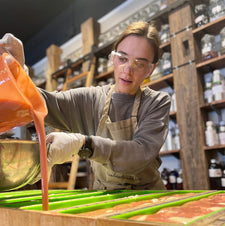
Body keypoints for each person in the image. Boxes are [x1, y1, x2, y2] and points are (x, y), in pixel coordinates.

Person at [0, 21, 171, 190]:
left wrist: (83, 144)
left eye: (139, 64)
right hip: (104, 198)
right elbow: (45, 103)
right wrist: (17, 74)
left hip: (149, 198)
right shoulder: (92, 99)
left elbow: (139, 154)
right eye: (123, 59)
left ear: (151, 69)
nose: (127, 69)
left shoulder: (157, 102)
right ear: (113, 58)